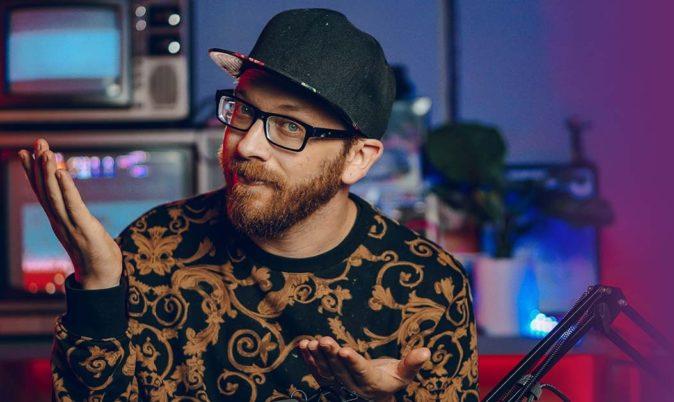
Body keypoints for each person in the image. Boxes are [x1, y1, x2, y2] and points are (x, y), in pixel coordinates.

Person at [20, 9, 477, 402]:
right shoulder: (152, 248)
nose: (247, 145)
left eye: (290, 126)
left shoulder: (429, 286)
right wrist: (98, 287)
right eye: (243, 111)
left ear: (356, 159)